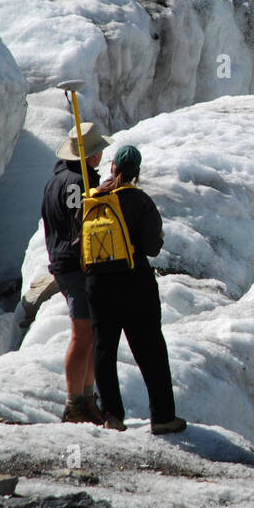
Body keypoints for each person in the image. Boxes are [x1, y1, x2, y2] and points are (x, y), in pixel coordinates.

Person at [85, 144, 187, 434]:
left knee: (104, 347)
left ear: (112, 167)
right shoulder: (141, 202)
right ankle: (163, 417)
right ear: (137, 173)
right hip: (134, 282)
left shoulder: (93, 200)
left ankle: (112, 415)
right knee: (150, 348)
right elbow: (152, 248)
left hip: (98, 283)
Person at [41, 120, 112, 424]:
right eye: (97, 151)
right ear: (90, 156)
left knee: (92, 333)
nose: (100, 156)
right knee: (83, 333)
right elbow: (80, 224)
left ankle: (86, 399)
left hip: (66, 263)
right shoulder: (77, 183)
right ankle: (74, 403)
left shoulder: (58, 179)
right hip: (77, 265)